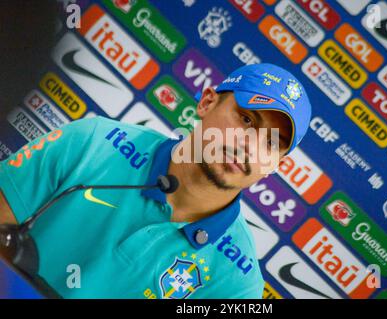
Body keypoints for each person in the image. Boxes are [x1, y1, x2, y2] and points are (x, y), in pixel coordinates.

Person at [0, 63, 311, 299]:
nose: (250, 146)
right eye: (246, 120)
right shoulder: (93, 142)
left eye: (272, 143)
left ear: (274, 166)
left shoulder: (237, 284)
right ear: (206, 103)